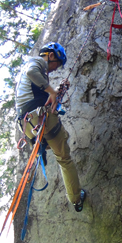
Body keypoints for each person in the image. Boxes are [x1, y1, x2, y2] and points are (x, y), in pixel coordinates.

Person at [15, 42, 86, 212]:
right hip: (40, 116)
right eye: (57, 64)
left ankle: (44, 142)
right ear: (51, 55)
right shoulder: (37, 62)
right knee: (64, 158)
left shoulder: (29, 83)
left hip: (26, 125)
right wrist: (53, 92)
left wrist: (54, 94)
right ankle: (76, 198)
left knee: (58, 146)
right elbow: (32, 72)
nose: (55, 69)